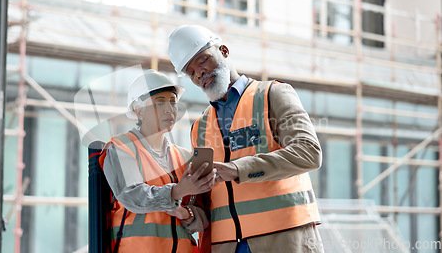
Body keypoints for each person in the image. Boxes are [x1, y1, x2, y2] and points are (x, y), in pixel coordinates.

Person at [168, 25, 324, 253]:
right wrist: (189, 213)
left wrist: (236, 169)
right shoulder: (199, 127)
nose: (199, 73)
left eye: (202, 60)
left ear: (224, 50)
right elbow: (208, 201)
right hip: (226, 245)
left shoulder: (273, 95)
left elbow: (309, 153)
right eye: (191, 72)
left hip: (283, 238)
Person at [99, 69, 216, 253]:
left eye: (172, 102)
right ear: (138, 110)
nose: (169, 109)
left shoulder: (184, 157)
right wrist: (177, 191)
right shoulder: (122, 147)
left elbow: (204, 221)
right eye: (159, 103)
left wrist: (186, 214)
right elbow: (132, 195)